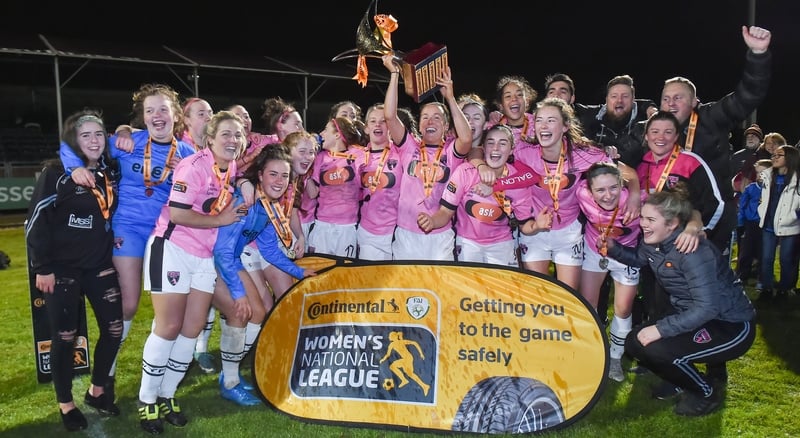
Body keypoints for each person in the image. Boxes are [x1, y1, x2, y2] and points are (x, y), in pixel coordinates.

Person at [59, 83, 196, 402]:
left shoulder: (188, 154)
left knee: (174, 310)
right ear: (143, 117)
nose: (157, 115)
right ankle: (106, 374)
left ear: (175, 115)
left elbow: (209, 188)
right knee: (129, 304)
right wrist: (75, 167)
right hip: (129, 229)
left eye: (163, 109)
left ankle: (167, 369)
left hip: (167, 234)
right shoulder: (128, 141)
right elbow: (71, 145)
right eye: (150, 110)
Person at [137, 111, 244, 434]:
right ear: (210, 139)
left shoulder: (231, 167)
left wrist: (246, 183)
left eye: (238, 135)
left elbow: (240, 178)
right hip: (172, 248)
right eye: (226, 134)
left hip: (203, 256)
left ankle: (167, 394)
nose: (233, 140)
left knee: (193, 327)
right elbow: (178, 214)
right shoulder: (194, 166)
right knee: (168, 326)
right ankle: (147, 399)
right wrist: (220, 220)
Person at [606, 187, 756, 417]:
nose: (643, 224)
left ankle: (706, 393)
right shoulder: (653, 242)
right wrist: (613, 248)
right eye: (643, 217)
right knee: (635, 343)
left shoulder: (692, 251)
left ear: (673, 224)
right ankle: (679, 379)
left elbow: (707, 307)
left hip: (730, 324)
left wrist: (660, 329)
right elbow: (639, 259)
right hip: (694, 316)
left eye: (650, 220)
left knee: (657, 348)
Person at [633, 26, 773, 259]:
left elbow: (747, 96)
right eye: (666, 99)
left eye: (678, 98)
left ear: (695, 102)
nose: (671, 103)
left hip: (709, 218)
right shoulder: (650, 130)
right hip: (664, 219)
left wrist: (758, 56)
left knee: (708, 276)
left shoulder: (711, 118)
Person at [26, 110, 122, 431]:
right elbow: (36, 220)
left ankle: (97, 391)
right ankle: (66, 404)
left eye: (99, 134)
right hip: (61, 268)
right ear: (73, 140)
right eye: (85, 135)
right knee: (65, 337)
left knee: (114, 330)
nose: (94, 141)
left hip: (99, 265)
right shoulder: (55, 174)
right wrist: (42, 267)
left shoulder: (110, 170)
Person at [213, 145, 316, 406]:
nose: (279, 181)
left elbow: (269, 250)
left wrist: (300, 272)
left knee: (258, 313)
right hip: (211, 261)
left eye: (284, 176)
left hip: (231, 259)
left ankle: (230, 374)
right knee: (242, 312)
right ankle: (229, 381)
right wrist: (238, 293)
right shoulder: (244, 202)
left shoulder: (268, 206)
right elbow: (222, 251)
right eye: (273, 174)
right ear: (260, 175)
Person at [514, 98, 641, 290]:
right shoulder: (523, 151)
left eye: (551, 120)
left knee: (568, 295)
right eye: (539, 120)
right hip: (535, 230)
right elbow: (487, 150)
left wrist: (635, 196)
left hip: (568, 233)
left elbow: (628, 173)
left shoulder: (583, 153)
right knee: (537, 295)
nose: (544, 126)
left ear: (565, 126)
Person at [381, 54, 473, 260]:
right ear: (420, 125)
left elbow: (467, 138)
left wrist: (450, 98)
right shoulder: (408, 147)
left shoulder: (451, 152)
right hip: (407, 233)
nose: (430, 121)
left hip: (440, 236)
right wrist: (394, 74)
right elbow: (389, 116)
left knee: (438, 281)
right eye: (425, 117)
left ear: (446, 126)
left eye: (437, 118)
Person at [417, 124, 546, 266]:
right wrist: (432, 221)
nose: (496, 148)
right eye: (490, 143)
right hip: (467, 243)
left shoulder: (517, 180)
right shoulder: (465, 172)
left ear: (511, 150)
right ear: (483, 148)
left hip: (502, 245)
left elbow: (524, 225)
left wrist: (536, 226)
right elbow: (445, 212)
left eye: (503, 143)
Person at [577, 162, 643, 382]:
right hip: (595, 252)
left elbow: (674, 211)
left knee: (623, 309)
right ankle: (592, 351)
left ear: (622, 185)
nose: (608, 196)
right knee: (588, 304)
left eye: (613, 187)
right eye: (600, 190)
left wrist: (635, 193)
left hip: (626, 256)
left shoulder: (638, 200)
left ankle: (615, 357)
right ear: (589, 190)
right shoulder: (581, 193)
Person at [305, 116, 366, 258]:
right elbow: (313, 193)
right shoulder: (320, 157)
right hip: (322, 225)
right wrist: (306, 173)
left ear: (337, 134)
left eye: (326, 130)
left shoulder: (358, 155)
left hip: (347, 227)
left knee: (344, 270)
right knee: (319, 269)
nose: (321, 133)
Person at [357, 103, 403, 260]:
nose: (378, 124)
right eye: (373, 121)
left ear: (390, 126)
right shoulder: (358, 156)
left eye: (383, 121)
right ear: (366, 128)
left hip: (397, 232)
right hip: (368, 233)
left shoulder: (402, 153)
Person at [756, 145, 800, 302]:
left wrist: (794, 216)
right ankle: (766, 288)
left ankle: (784, 289)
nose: (773, 157)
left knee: (786, 259)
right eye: (773, 155)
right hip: (768, 224)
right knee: (766, 258)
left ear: (790, 158)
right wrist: (761, 210)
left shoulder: (797, 180)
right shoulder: (767, 176)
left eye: (778, 155)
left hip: (789, 225)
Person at [736, 159, 772, 287]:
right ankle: (741, 276)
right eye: (758, 173)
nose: (760, 175)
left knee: (763, 253)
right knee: (746, 252)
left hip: (765, 225)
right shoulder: (750, 188)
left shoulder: (772, 189)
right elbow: (742, 206)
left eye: (763, 172)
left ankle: (762, 279)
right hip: (750, 224)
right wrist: (740, 223)